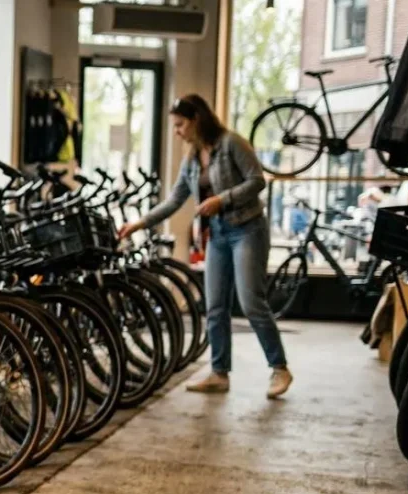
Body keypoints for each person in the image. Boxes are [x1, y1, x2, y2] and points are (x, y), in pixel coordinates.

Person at [118, 94, 291, 399]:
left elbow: (257, 181)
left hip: (247, 230)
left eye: (180, 124)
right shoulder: (192, 159)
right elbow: (175, 200)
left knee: (251, 302)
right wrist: (140, 223)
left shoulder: (231, 143)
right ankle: (219, 373)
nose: (177, 131)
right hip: (219, 235)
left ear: (197, 119)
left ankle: (279, 369)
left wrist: (221, 200)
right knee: (214, 307)